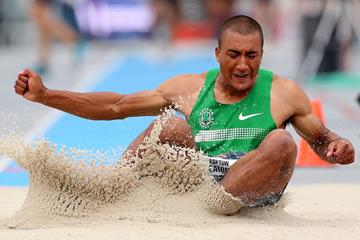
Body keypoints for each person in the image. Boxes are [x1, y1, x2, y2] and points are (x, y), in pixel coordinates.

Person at [14, 15, 355, 210]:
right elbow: (116, 106)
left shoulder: (283, 91)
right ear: (217, 53)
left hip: (255, 187)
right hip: (208, 173)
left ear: (262, 55)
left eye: (252, 55)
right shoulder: (189, 88)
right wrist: (46, 95)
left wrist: (338, 146)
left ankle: (216, 206)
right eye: (234, 54)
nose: (242, 64)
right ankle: (111, 190)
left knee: (282, 141)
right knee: (169, 127)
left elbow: (323, 139)